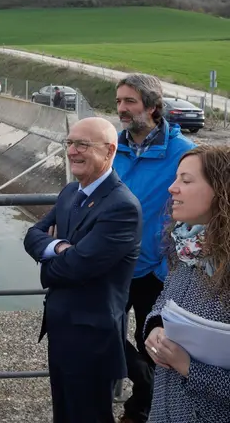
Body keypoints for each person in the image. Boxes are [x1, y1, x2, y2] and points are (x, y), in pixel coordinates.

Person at [23, 117, 143, 423]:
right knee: (64, 413)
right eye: (70, 143)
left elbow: (77, 268)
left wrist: (51, 262)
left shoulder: (121, 206)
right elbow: (32, 235)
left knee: (89, 415)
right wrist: (62, 248)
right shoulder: (70, 193)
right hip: (62, 328)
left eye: (82, 145)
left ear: (109, 151)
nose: (72, 151)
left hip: (91, 338)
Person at [113, 73, 196, 423]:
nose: (121, 109)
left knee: (152, 340)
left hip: (156, 269)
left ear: (153, 107)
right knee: (102, 331)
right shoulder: (112, 147)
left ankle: (141, 409)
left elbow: (199, 207)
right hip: (112, 265)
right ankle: (140, 378)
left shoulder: (183, 154)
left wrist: (169, 262)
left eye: (130, 101)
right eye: (118, 101)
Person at [143, 145, 230, 422]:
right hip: (163, 410)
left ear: (222, 191)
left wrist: (189, 368)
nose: (172, 188)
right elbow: (164, 301)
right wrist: (156, 326)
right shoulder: (188, 248)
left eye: (186, 180)